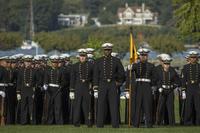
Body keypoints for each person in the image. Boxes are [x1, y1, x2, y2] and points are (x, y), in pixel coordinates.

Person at [93, 43, 125, 128]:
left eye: (109, 50)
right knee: (101, 105)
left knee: (114, 105)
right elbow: (95, 75)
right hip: (102, 84)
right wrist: (95, 87)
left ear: (111, 50)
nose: (107, 51)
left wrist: (119, 82)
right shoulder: (98, 61)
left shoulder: (116, 60)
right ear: (103, 51)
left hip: (112, 84)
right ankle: (99, 124)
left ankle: (115, 124)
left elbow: (122, 73)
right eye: (105, 50)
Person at [130, 48, 155, 128]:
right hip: (138, 86)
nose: (143, 57)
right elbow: (128, 72)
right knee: (137, 106)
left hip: (147, 86)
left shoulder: (151, 65)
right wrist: (130, 67)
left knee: (147, 105)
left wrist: (153, 86)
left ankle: (148, 124)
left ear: (147, 56)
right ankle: (136, 124)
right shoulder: (136, 65)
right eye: (142, 55)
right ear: (139, 56)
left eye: (145, 55)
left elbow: (154, 77)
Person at [70, 49, 94, 127]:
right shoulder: (75, 66)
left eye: (84, 56)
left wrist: (92, 86)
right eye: (81, 56)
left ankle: (88, 122)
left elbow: (94, 77)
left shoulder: (91, 65)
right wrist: (71, 90)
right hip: (78, 87)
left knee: (87, 106)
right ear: (79, 57)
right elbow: (72, 79)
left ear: (86, 56)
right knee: (77, 106)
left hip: (87, 87)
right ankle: (76, 122)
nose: (82, 58)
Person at [155, 54, 180, 126]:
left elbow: (177, 81)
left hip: (170, 91)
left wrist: (173, 86)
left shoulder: (172, 70)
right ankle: (158, 123)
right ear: (162, 63)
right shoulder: (158, 70)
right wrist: (159, 87)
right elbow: (157, 80)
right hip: (162, 91)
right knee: (160, 107)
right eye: (165, 63)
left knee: (170, 107)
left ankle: (172, 123)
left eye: (168, 64)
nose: (167, 65)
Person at [43, 55, 64, 124]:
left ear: (58, 63)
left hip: (58, 90)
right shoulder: (48, 71)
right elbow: (45, 82)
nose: (54, 64)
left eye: (56, 62)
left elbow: (63, 81)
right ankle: (49, 121)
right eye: (53, 62)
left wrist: (61, 86)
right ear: (51, 63)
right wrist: (46, 90)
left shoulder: (61, 71)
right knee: (50, 106)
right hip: (50, 89)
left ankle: (59, 122)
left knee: (58, 106)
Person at [181, 51, 200, 125]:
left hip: (197, 88)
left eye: (194, 57)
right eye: (192, 57)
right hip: (189, 88)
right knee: (188, 106)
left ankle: (198, 122)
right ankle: (188, 122)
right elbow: (183, 79)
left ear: (197, 58)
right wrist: (183, 91)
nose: (193, 59)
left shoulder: (199, 66)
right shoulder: (186, 67)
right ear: (189, 58)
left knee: (198, 107)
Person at [17, 55, 36, 124]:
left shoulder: (34, 71)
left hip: (31, 91)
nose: (28, 63)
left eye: (29, 62)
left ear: (31, 62)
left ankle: (32, 121)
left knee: (32, 107)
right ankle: (23, 121)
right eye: (26, 62)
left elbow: (38, 81)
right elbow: (18, 82)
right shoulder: (21, 71)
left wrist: (35, 89)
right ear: (24, 62)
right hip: (23, 90)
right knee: (23, 106)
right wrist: (18, 92)